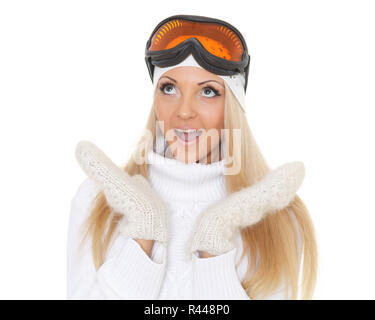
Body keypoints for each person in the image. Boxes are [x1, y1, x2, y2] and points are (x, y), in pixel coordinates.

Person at [67, 14, 318, 300]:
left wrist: (214, 249)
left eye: (208, 91)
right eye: (169, 88)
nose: (184, 112)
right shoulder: (96, 202)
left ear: (233, 105)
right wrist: (143, 234)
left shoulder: (278, 220)